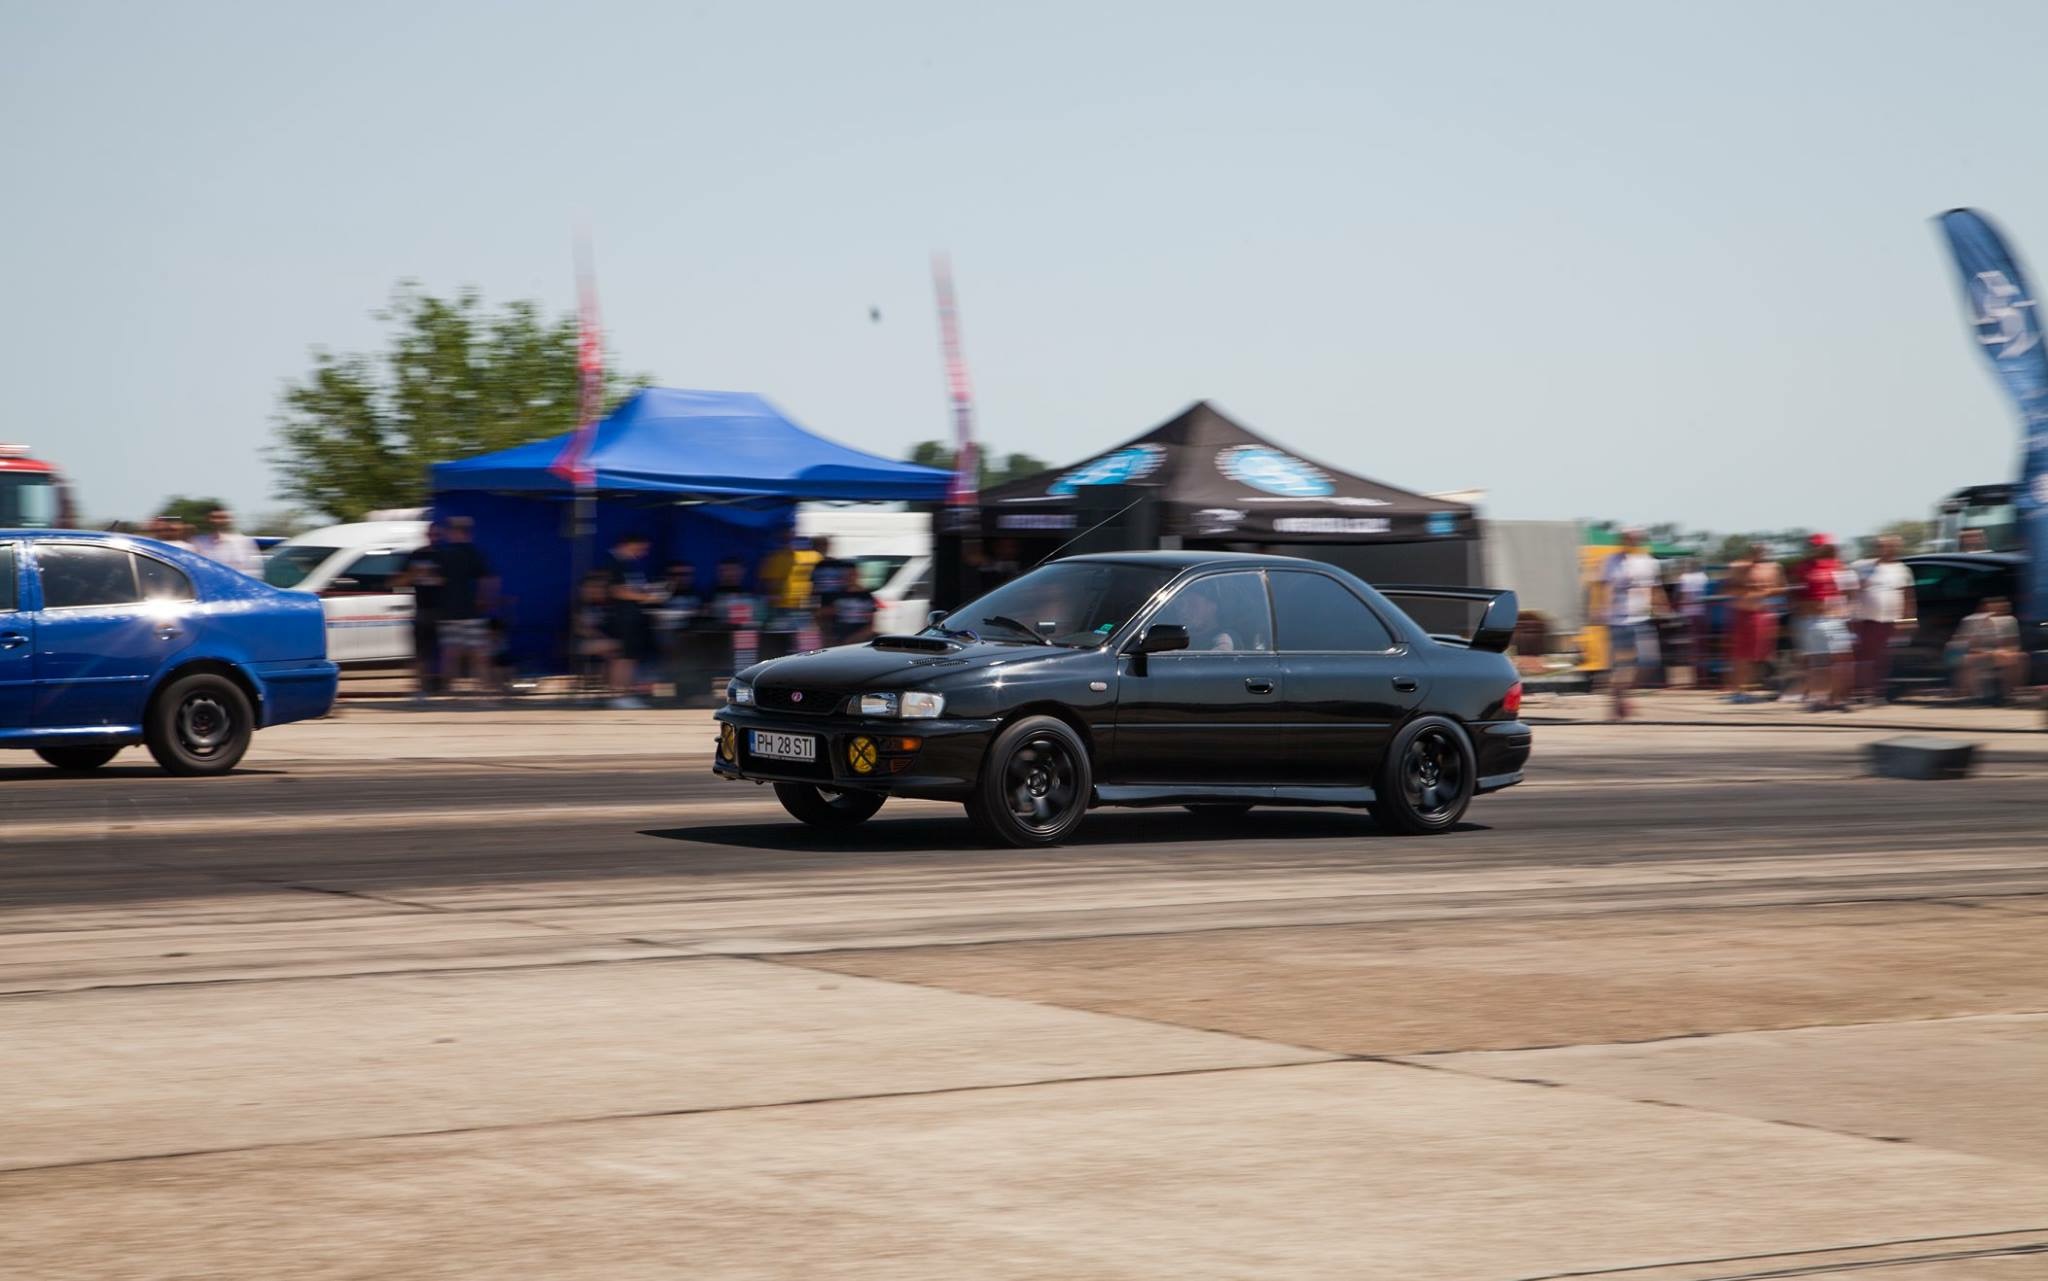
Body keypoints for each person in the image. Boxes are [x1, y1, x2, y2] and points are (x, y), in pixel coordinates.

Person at [1604, 528, 1666, 720]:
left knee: (1649, 661)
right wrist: (1603, 611)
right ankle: (1618, 703)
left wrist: (1662, 605)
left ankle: (1622, 694)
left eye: (1634, 538)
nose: (1631, 541)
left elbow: (1654, 587)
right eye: (1627, 538)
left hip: (1641, 617)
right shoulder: (1612, 561)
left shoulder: (1647, 561)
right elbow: (1606, 587)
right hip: (1618, 619)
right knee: (1623, 664)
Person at [433, 516, 498, 698]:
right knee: (478, 652)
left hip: (449, 611)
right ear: (467, 533)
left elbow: (437, 580)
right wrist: (485, 599)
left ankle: (448, 691)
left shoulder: (444, 554)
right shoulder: (475, 553)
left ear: (454, 533)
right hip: (471, 611)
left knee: (450, 653)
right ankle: (483, 690)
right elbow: (489, 579)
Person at [599, 532, 661, 710]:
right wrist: (646, 597)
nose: (642, 553)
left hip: (631, 618)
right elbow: (617, 590)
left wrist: (647, 592)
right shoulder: (614, 563)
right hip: (621, 619)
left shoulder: (628, 564)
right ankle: (619, 695)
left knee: (629, 658)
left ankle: (625, 694)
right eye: (640, 548)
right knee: (622, 658)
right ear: (629, 544)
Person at [1793, 535, 1855, 711]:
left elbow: (1849, 591)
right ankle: (1818, 699)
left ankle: (1838, 698)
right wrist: (1803, 612)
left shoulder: (1837, 565)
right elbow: (1796, 595)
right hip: (1812, 620)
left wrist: (1846, 611)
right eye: (1813, 546)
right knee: (1818, 662)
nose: (1816, 549)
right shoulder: (1803, 567)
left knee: (1843, 660)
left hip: (1834, 619)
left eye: (1819, 546)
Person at [1852, 535, 1914, 703]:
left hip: (1890, 621)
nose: (1884, 549)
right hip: (1866, 620)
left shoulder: (1902, 569)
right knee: (1864, 657)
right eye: (1880, 546)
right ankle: (1862, 692)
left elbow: (1908, 596)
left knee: (1883, 657)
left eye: (1889, 546)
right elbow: (1850, 591)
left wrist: (1908, 620)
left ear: (1896, 548)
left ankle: (1877, 692)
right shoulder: (1861, 566)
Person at [395, 521, 450, 699]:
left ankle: (444, 687)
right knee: (421, 652)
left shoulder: (445, 555)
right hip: (422, 609)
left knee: (445, 650)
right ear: (426, 535)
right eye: (431, 534)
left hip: (442, 609)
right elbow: (398, 581)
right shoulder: (416, 554)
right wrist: (413, 574)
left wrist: (434, 576)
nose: (434, 538)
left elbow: (451, 582)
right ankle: (421, 688)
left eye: (437, 535)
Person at [1950, 596, 2025, 704]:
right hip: (1974, 653)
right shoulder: (1972, 621)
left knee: (2018, 657)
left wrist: (2003, 651)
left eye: (2003, 607)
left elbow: (2013, 644)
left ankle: (2008, 693)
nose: (1998, 610)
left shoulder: (2009, 621)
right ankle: (1973, 695)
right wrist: (1988, 652)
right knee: (1968, 659)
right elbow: (1968, 645)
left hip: (1998, 654)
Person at [814, 552, 880, 647]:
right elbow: (820, 615)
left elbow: (871, 625)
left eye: (852, 574)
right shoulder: (835, 594)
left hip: (860, 642)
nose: (849, 578)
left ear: (857, 575)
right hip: (838, 642)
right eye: (846, 575)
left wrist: (856, 638)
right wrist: (827, 636)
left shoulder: (866, 595)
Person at [190, 508, 263, 576]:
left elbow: (254, 571)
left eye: (222, 518)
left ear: (230, 520)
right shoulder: (198, 542)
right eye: (213, 517)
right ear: (207, 520)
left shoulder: (243, 542)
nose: (217, 521)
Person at [1675, 557, 1710, 687]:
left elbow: (1682, 596)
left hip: (1689, 615)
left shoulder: (1685, 578)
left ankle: (1697, 678)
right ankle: (1702, 678)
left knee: (1693, 648)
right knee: (1701, 647)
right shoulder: (1704, 577)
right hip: (1702, 614)